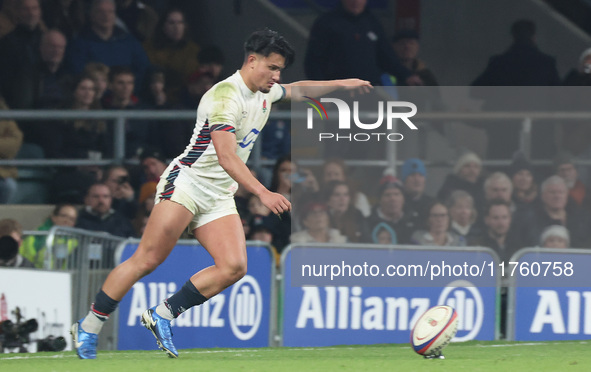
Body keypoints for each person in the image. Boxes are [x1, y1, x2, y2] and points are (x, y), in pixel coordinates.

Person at [70, 29, 372, 359]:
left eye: (280, 69)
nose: (277, 75)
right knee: (147, 259)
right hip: (187, 183)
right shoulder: (225, 96)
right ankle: (89, 326)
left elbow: (298, 90)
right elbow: (226, 156)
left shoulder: (264, 92)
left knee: (233, 266)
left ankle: (162, 315)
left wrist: (342, 84)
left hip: (217, 194)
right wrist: (263, 192)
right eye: (272, 67)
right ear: (252, 60)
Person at [304, 0, 421, 86]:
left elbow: (386, 56)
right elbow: (313, 62)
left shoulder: (372, 23)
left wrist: (406, 75)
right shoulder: (327, 23)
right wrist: (321, 91)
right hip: (338, 94)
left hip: (370, 93)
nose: (356, 2)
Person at [143, 7, 200, 102]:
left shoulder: (194, 50)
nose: (176, 27)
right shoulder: (149, 48)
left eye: (180, 23)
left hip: (184, 98)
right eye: (172, 23)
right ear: (163, 26)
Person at [20, 203, 78, 268]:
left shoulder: (75, 243)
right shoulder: (35, 236)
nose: (67, 220)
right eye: (63, 216)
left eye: (72, 219)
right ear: (54, 217)